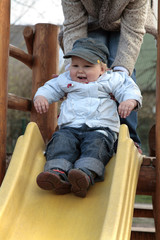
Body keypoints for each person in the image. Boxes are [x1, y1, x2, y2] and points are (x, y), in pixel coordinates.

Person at [34, 38, 142, 198]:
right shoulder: (65, 80)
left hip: (101, 129)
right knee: (60, 142)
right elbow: (51, 87)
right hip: (69, 129)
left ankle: (84, 174)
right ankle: (57, 173)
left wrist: (129, 101)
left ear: (103, 69)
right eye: (75, 65)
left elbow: (128, 88)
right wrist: (41, 97)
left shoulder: (112, 79)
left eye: (87, 66)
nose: (80, 71)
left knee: (96, 147)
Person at [59, 0, 157, 151]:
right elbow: (74, 26)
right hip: (89, 21)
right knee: (91, 64)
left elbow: (133, 31)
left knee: (120, 67)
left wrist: (121, 75)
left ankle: (128, 137)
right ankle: (84, 131)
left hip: (128, 19)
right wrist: (72, 70)